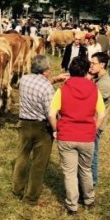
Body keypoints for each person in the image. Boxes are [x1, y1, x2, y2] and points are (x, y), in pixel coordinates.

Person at [49, 57, 105, 215]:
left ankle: (72, 205)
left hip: (66, 135)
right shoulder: (95, 89)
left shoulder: (62, 90)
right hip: (87, 136)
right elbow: (101, 114)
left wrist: (56, 129)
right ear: (87, 70)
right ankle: (89, 199)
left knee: (69, 173)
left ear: (70, 71)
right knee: (86, 169)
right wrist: (93, 129)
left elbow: (51, 114)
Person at [12, 55, 65, 206]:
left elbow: (38, 84)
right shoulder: (47, 88)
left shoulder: (24, 79)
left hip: (24, 124)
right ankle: (31, 197)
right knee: (39, 164)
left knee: (22, 157)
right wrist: (56, 129)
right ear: (46, 71)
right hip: (41, 127)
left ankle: (17, 189)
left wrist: (54, 79)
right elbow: (51, 113)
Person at [88, 52, 110, 188]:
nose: (90, 65)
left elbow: (90, 101)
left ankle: (92, 182)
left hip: (96, 124)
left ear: (102, 65)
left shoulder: (104, 84)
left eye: (93, 63)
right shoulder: (98, 78)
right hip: (92, 122)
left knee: (92, 155)